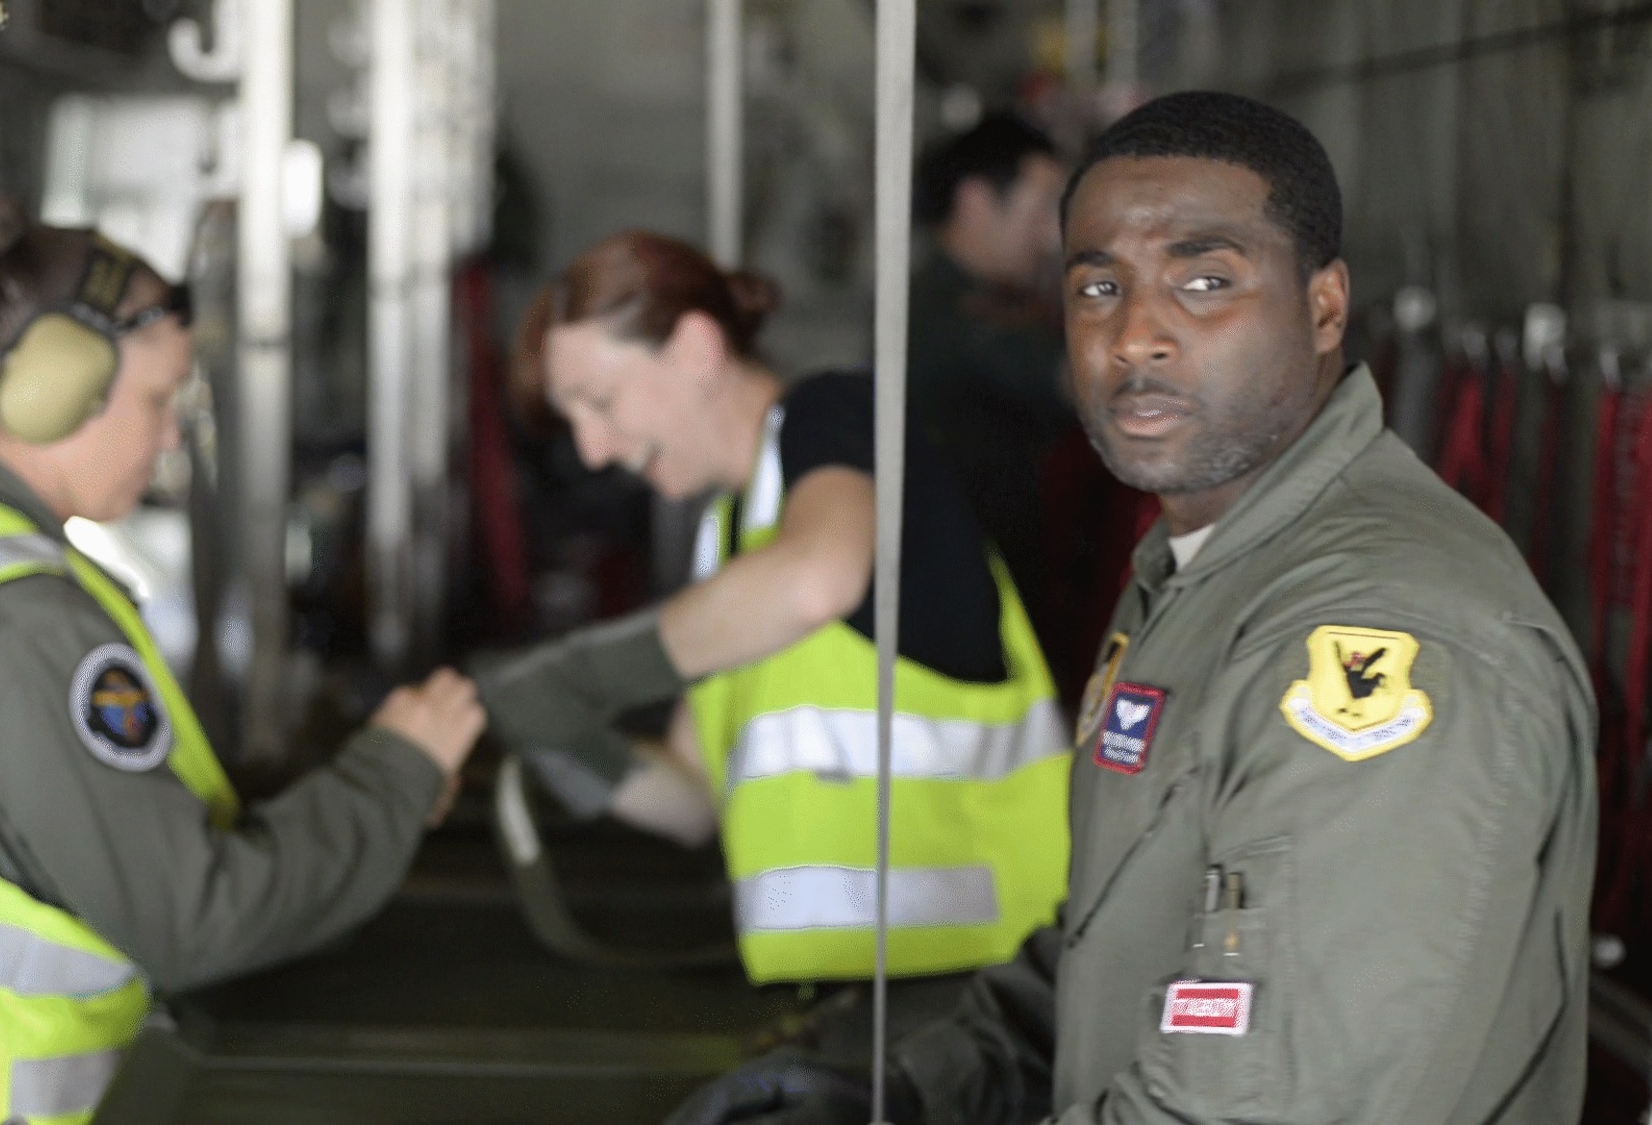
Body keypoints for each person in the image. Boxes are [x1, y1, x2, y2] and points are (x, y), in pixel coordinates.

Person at [668, 90, 1596, 1125]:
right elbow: (1109, 942)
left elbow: (1269, 1107)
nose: (1136, 335)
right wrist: (900, 1094)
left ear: (1323, 307)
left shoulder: (1389, 640)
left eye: (1204, 281)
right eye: (1097, 287)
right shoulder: (1193, 574)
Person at [0, 209, 486, 1125]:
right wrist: (394, 772)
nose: (168, 440)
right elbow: (196, 917)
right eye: (159, 401)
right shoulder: (29, 619)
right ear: (50, 392)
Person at [479, 230, 1072, 988]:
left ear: (696, 347)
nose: (593, 450)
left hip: (991, 991)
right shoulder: (731, 537)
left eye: (600, 403)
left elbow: (815, 581)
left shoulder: (837, 416)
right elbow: (694, 797)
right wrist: (560, 735)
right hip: (859, 997)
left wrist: (585, 671)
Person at [912, 112, 1136, 690]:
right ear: (977, 201)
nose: (1049, 237)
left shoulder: (977, 304)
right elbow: (1081, 378)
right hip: (970, 602)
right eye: (1040, 208)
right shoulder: (952, 316)